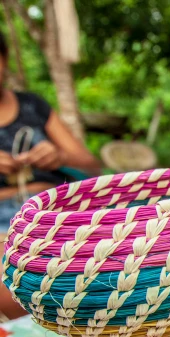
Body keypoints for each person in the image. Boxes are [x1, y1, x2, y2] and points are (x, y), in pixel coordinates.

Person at [0, 32, 101, 319]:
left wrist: (59, 156)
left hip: (50, 211)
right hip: (4, 221)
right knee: (15, 290)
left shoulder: (32, 105)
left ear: (5, 59)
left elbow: (91, 166)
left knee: (93, 274)